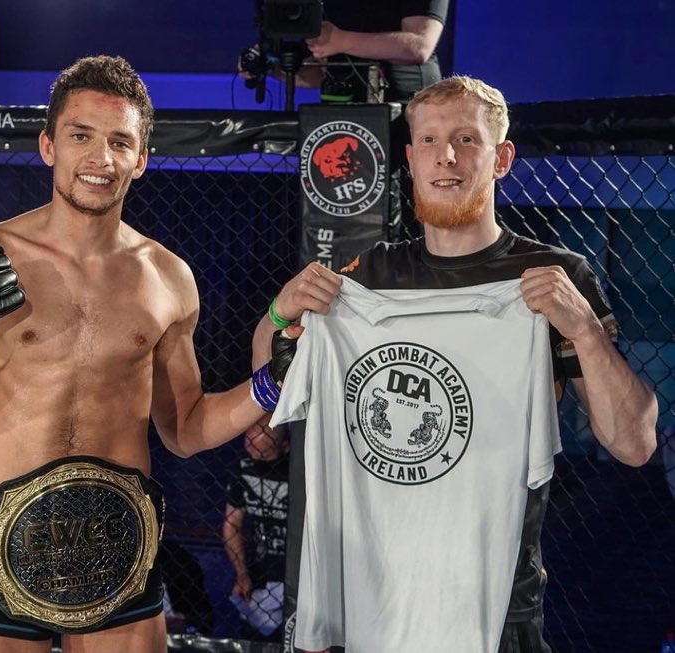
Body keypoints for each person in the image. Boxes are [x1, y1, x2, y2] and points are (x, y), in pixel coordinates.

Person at [0, 55, 293, 653]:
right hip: (3, 547)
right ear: (48, 146)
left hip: (123, 552)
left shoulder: (167, 278)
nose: (101, 158)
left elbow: (186, 429)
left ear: (141, 159)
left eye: (120, 142)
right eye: (81, 136)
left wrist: (271, 384)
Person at [252, 76, 658, 652]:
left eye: (467, 139)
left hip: (492, 600)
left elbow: (634, 444)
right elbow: (270, 391)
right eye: (429, 140)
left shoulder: (552, 275)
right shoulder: (369, 275)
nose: (446, 156)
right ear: (410, 160)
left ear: (501, 159)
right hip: (372, 592)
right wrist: (278, 311)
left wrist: (585, 330)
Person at [223, 415, 290, 641]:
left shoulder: (301, 471)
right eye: (250, 448)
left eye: (264, 453)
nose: (255, 458)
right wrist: (241, 573)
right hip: (260, 571)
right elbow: (232, 525)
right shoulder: (243, 468)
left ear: (285, 446)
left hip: (297, 572)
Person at [303, 0, 450, 104]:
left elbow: (419, 46)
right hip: (339, 109)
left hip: (407, 109)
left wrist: (341, 41)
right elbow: (318, 73)